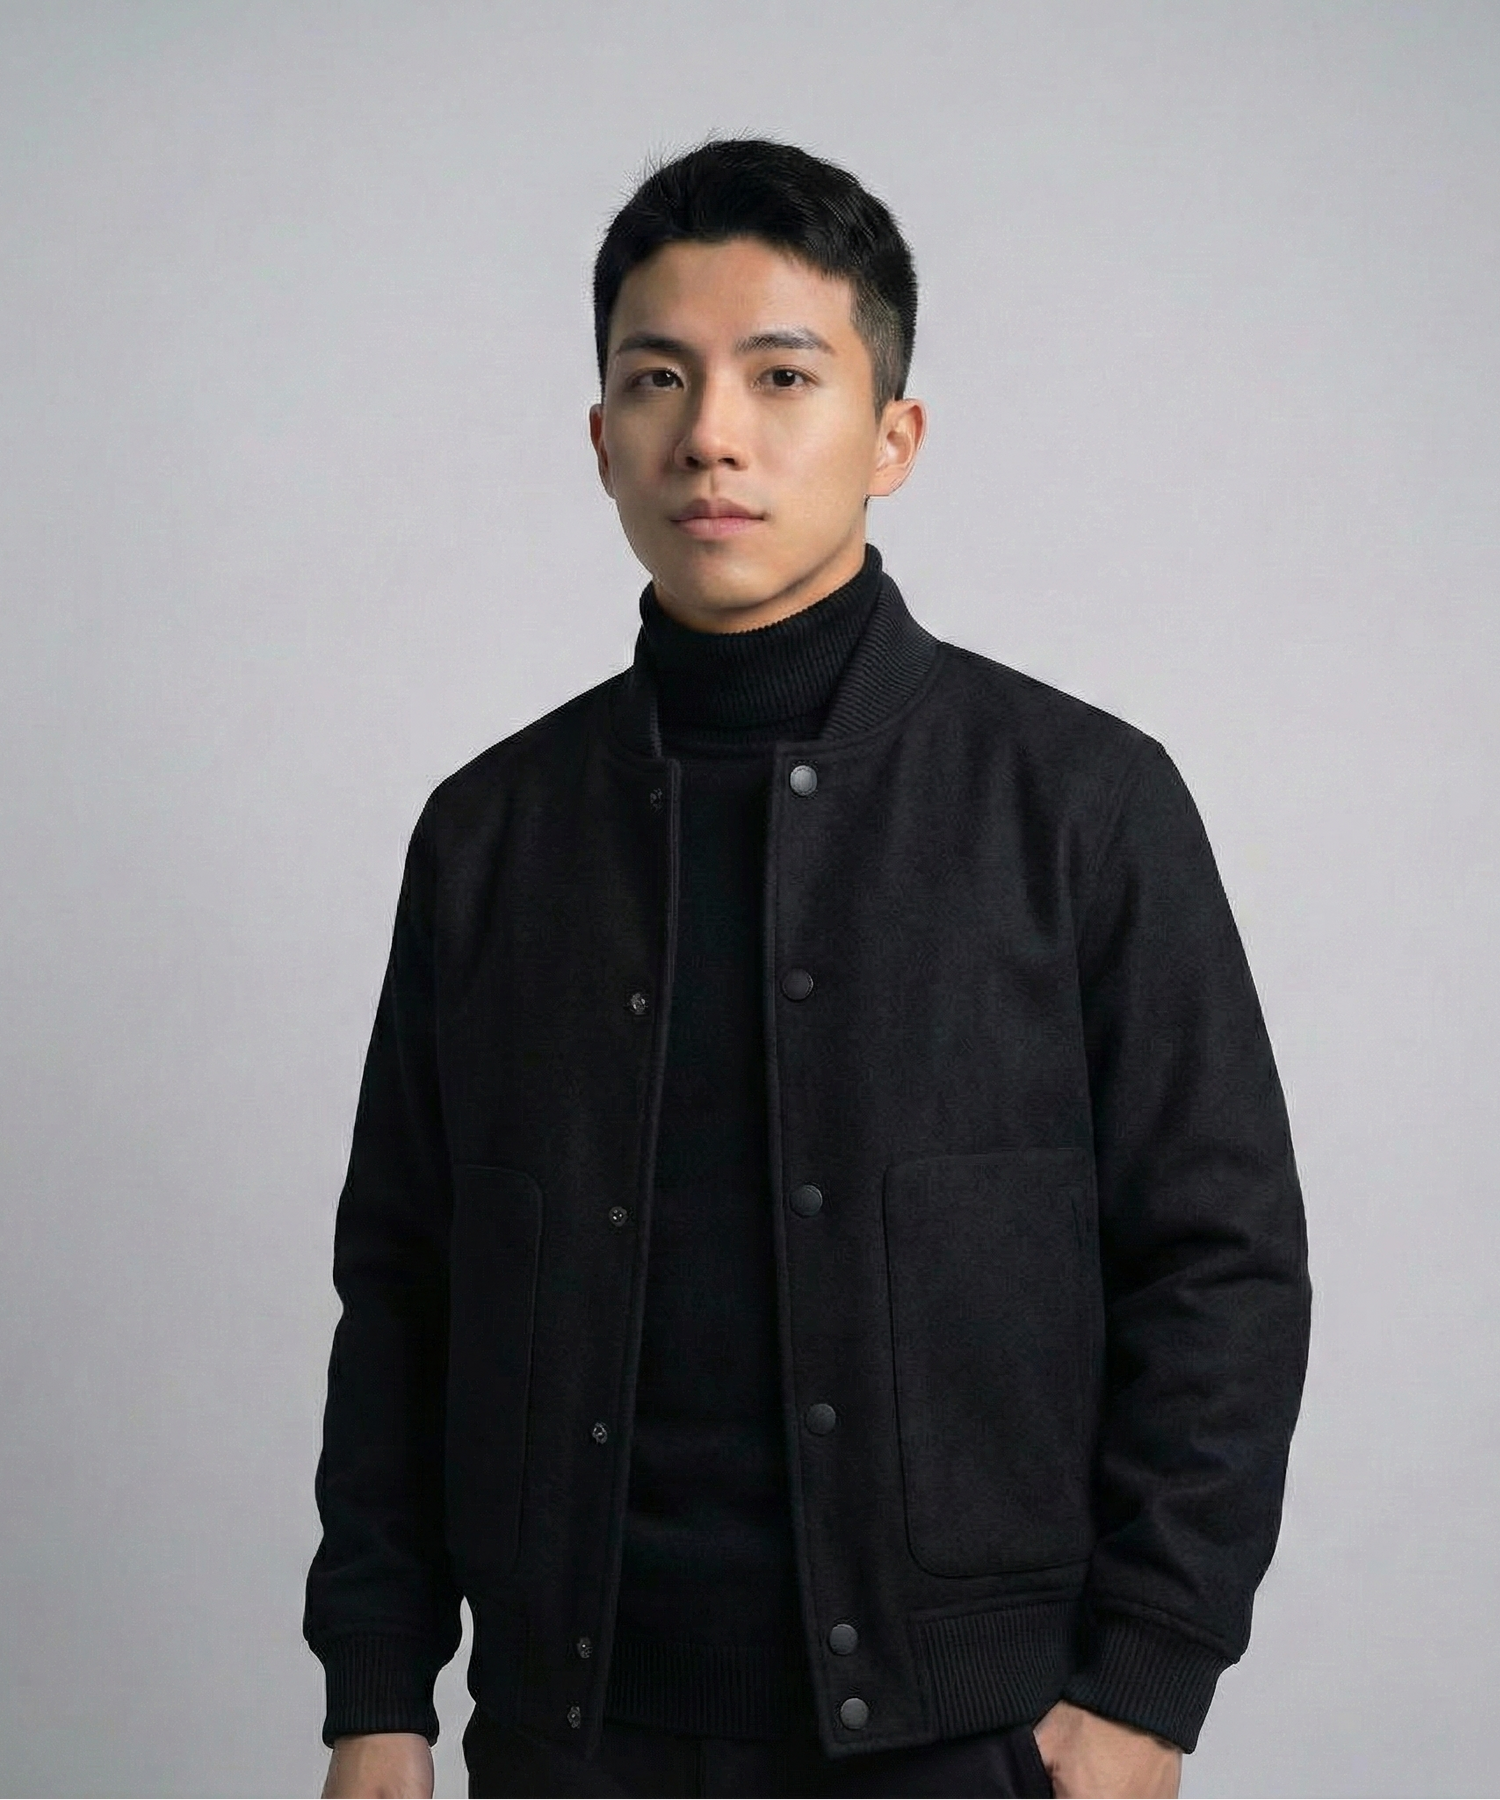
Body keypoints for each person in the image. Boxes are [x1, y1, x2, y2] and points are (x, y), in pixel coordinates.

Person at [304, 137, 1311, 1800]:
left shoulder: (1080, 804)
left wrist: (1146, 1688)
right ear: (600, 437)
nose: (711, 434)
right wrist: (376, 1693)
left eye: (782, 376)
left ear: (892, 437)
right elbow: (403, 1285)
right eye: (657, 378)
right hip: (569, 1742)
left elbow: (1223, 1266)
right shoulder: (490, 834)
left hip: (965, 1746)